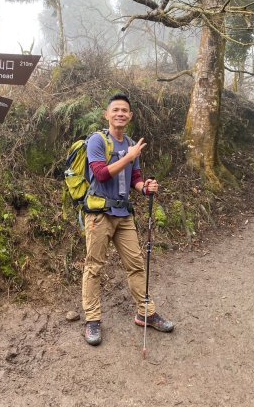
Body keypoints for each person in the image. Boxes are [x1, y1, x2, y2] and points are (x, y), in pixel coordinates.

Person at [82, 93, 174, 346]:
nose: (120, 113)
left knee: (136, 264)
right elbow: (100, 174)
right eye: (116, 110)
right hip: (99, 215)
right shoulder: (97, 141)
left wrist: (146, 188)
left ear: (130, 116)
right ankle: (92, 320)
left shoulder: (132, 144)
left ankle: (145, 313)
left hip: (124, 215)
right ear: (107, 114)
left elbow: (135, 179)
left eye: (125, 110)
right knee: (94, 267)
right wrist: (129, 156)